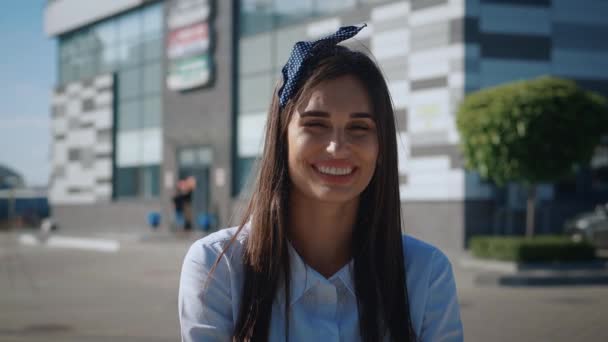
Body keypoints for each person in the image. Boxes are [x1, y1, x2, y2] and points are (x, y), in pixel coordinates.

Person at [179, 24, 463, 341]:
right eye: (316, 124)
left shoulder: (426, 274)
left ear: (381, 146)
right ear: (282, 138)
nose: (337, 147)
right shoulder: (217, 268)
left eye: (359, 128)